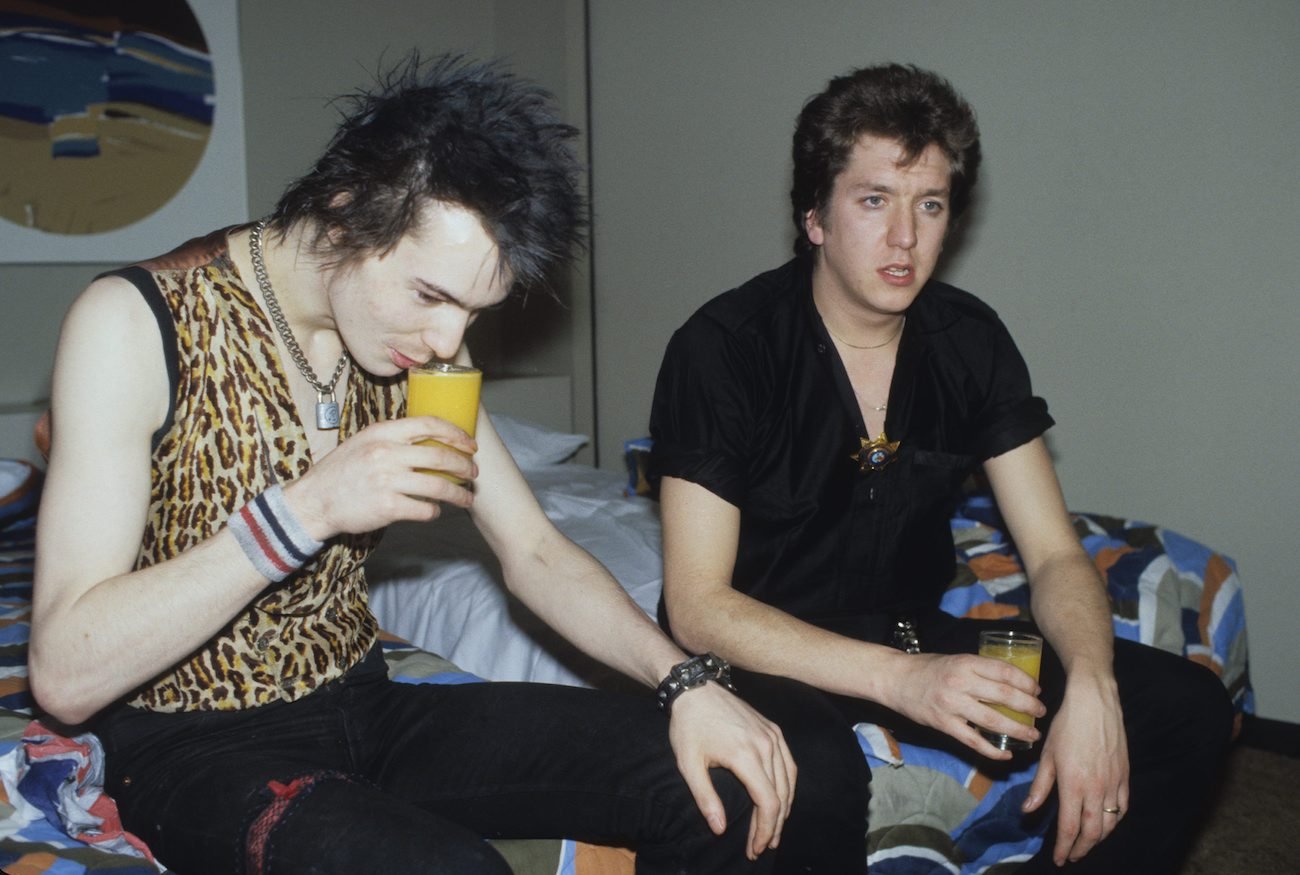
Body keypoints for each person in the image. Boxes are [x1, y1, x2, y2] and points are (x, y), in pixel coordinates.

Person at [28, 54, 796, 875]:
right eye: (431, 295)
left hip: (367, 703)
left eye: (472, 311)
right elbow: (65, 673)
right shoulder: (133, 324)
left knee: (719, 778)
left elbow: (534, 551)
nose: (447, 344)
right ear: (345, 205)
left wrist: (685, 681)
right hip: (193, 745)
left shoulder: (411, 351)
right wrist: (307, 510)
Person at [649, 63, 1234, 873]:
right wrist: (903, 681)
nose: (905, 239)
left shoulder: (970, 339)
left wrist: (1094, 686)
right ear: (814, 215)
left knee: (1187, 707)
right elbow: (699, 606)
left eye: (929, 205)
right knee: (808, 777)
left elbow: (1057, 554)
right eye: (874, 200)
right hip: (766, 655)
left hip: (911, 632)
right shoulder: (723, 349)